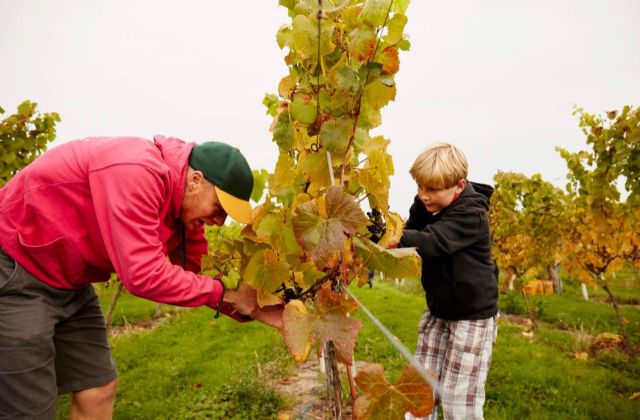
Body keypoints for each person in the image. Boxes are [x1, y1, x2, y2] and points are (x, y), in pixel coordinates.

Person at [0, 135, 283, 419]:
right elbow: (143, 274)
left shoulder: (183, 208)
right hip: (18, 269)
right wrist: (227, 295)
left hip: (69, 280)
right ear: (196, 180)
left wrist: (256, 307)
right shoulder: (136, 171)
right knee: (31, 409)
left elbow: (198, 271)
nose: (219, 222)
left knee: (98, 387)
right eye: (219, 209)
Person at [399, 143, 498, 420]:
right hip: (439, 309)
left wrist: (394, 237)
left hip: (471, 316)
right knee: (421, 387)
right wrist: (383, 233)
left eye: (432, 190)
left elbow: (433, 242)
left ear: (459, 185)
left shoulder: (472, 214)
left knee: (458, 396)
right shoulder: (425, 202)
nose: (423, 196)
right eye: (420, 187)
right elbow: (411, 232)